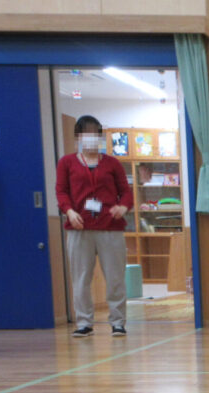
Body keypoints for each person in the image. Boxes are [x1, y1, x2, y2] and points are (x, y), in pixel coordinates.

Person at [55, 115, 133, 338]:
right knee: (81, 278)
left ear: (100, 137)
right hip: (79, 228)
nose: (90, 138)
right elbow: (61, 191)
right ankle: (84, 322)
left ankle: (118, 322)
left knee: (115, 277)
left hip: (110, 227)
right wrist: (69, 211)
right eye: (85, 134)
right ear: (78, 137)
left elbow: (126, 193)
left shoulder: (112, 164)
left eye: (94, 134)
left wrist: (122, 207)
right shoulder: (67, 163)